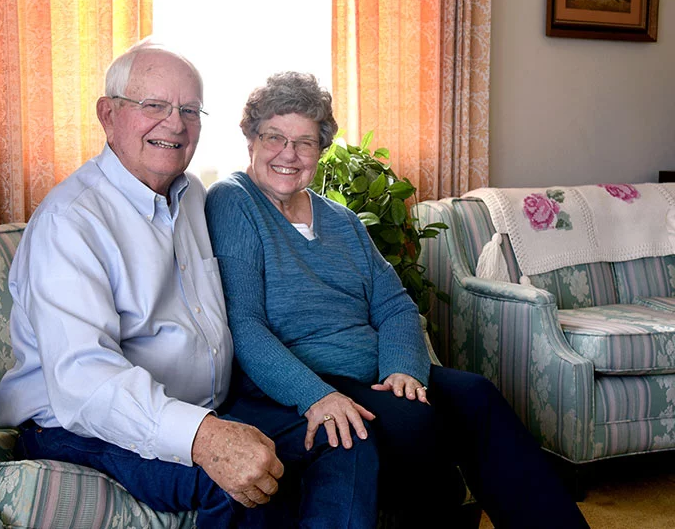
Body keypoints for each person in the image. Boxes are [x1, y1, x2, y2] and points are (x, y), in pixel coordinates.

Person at [0, 42, 378, 528]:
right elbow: (86, 383)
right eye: (154, 105)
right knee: (241, 483)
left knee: (342, 437)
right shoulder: (71, 221)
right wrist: (203, 437)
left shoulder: (193, 195)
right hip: (81, 425)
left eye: (189, 111)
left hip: (199, 409)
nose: (174, 124)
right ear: (108, 115)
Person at [205, 71, 591, 528]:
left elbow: (395, 305)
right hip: (304, 379)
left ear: (320, 150)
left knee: (477, 396)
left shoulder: (342, 220)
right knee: (414, 424)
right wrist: (316, 396)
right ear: (251, 139)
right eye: (274, 137)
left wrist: (403, 368)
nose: (288, 154)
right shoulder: (233, 201)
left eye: (304, 142)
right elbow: (245, 324)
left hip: (374, 373)